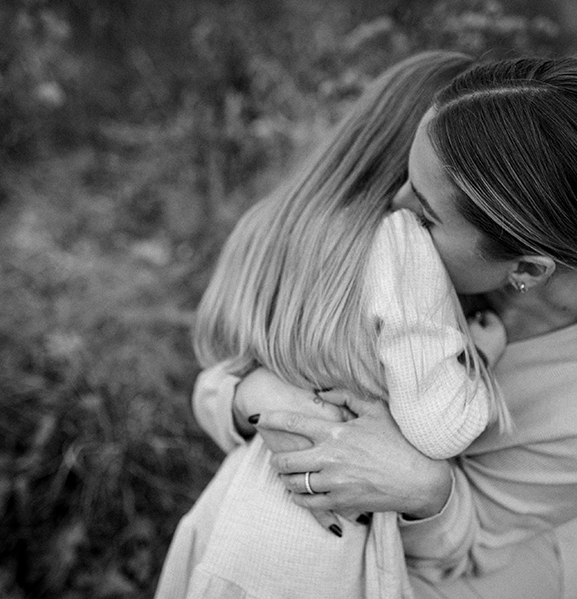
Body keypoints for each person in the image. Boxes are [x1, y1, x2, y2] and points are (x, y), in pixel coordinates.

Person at [190, 55, 577, 599]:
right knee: (267, 506)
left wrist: (427, 490)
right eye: (407, 178)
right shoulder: (445, 227)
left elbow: (468, 547)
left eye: (424, 214)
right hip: (461, 521)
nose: (394, 208)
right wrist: (250, 397)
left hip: (552, 540)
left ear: (525, 268)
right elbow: (231, 372)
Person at [155, 50, 507, 599]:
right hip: (327, 560)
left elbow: (220, 365)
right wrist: (479, 358)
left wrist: (257, 394)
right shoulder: (410, 265)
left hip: (230, 522)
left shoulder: (273, 225)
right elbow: (429, 422)